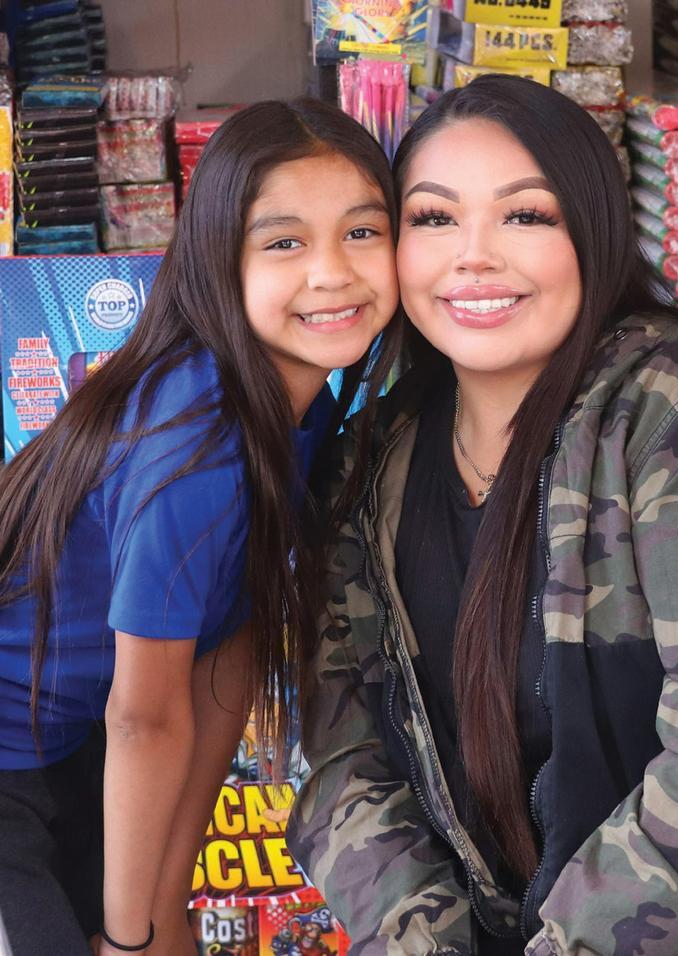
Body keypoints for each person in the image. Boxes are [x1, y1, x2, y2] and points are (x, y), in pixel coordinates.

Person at [287, 75, 678, 956]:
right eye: (434, 219)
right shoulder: (376, 454)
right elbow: (342, 758)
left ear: (592, 232)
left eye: (526, 216)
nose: (473, 256)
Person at [0, 98, 400, 956]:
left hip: (66, 748)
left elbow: (227, 662)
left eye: (363, 233)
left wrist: (167, 905)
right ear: (221, 261)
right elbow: (145, 718)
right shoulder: (200, 430)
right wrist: (133, 936)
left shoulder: (301, 411)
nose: (332, 273)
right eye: (285, 242)